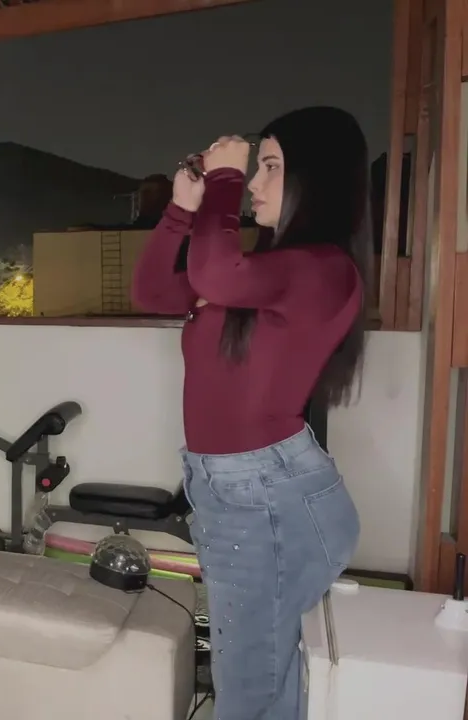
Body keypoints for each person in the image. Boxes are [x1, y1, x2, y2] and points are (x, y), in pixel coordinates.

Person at [131, 106, 368, 720]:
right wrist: (182, 209)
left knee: (248, 687)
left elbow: (214, 270)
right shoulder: (261, 275)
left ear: (316, 179)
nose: (254, 185)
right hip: (233, 491)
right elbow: (152, 291)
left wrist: (225, 178)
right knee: (260, 678)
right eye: (255, 168)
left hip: (268, 496)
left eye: (270, 167)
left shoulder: (325, 271)